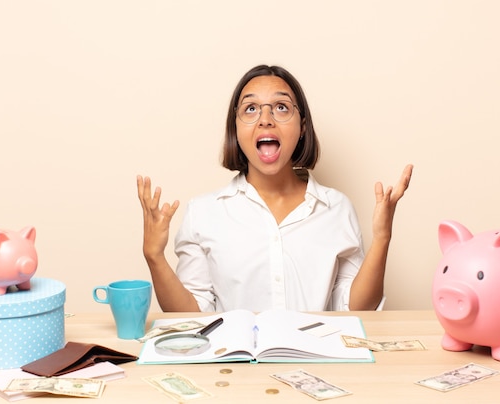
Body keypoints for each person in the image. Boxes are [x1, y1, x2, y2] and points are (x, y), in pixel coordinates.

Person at [137, 64, 412, 313]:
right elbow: (193, 317)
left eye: (281, 107)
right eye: (251, 108)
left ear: (302, 127)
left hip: (319, 363)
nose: (265, 119)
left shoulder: (336, 207)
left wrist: (382, 239)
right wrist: (155, 257)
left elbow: (356, 310)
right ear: (236, 129)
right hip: (237, 368)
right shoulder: (203, 212)